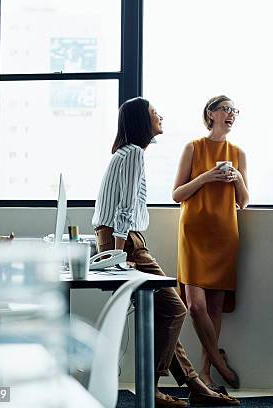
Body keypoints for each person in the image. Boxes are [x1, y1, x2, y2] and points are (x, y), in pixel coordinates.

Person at [92, 97, 239, 407]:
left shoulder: (125, 153)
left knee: (164, 310)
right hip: (126, 243)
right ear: (142, 122)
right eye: (154, 113)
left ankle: (195, 386)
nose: (160, 117)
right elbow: (125, 209)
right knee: (175, 308)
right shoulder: (133, 154)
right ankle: (153, 389)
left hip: (123, 240)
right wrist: (120, 257)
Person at [172, 95, 249, 391]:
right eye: (225, 109)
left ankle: (205, 373)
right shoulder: (193, 147)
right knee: (195, 306)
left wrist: (237, 179)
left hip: (224, 236)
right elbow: (177, 194)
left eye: (234, 110)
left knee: (215, 310)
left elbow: (243, 202)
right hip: (193, 236)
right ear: (211, 113)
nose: (231, 114)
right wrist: (206, 177)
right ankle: (220, 363)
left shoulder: (238, 153)